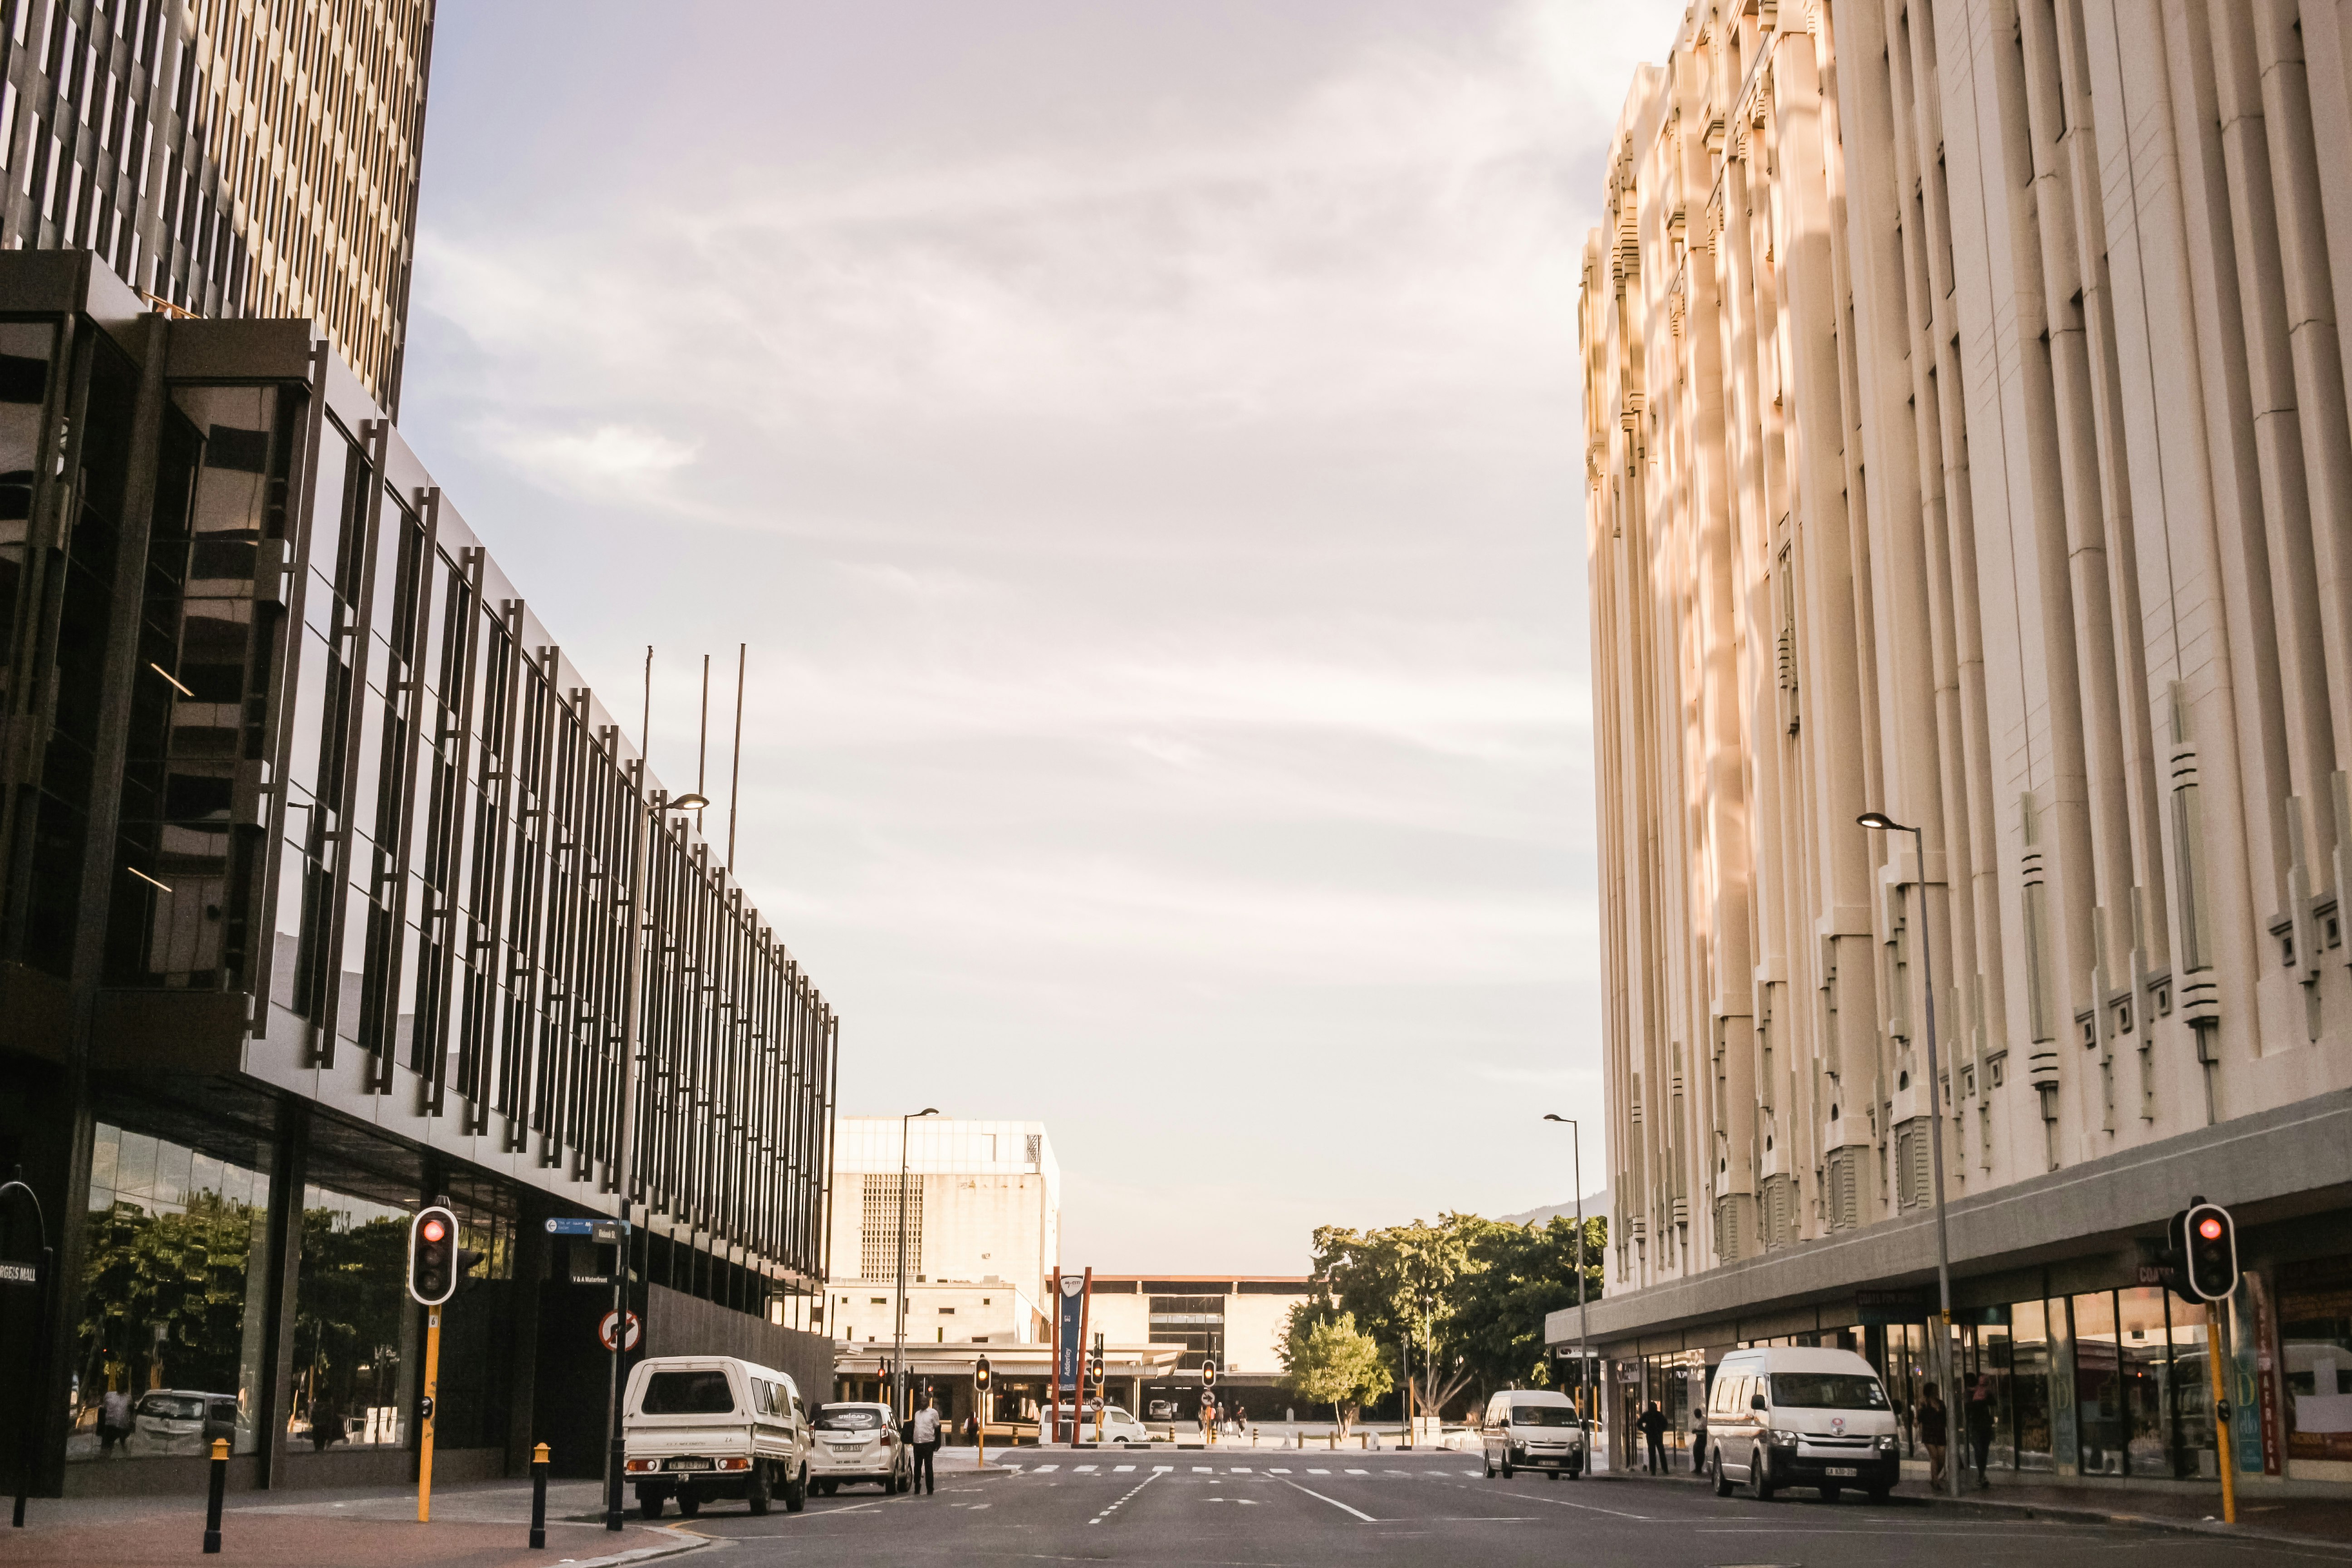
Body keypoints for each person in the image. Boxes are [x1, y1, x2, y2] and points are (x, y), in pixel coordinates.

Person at [1965, 1376, 1995, 1489]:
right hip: (1976, 1426)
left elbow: (1993, 1402)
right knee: (1980, 1451)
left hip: (1984, 1426)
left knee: (1984, 1451)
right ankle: (1981, 1475)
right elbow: (1969, 1408)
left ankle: (1982, 1475)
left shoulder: (1985, 1393)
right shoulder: (1970, 1394)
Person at [1920, 1382, 1949, 1489]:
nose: (1936, 1392)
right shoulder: (1925, 1403)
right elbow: (1920, 1415)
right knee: (1934, 1456)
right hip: (1929, 1433)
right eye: (1934, 1390)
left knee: (1941, 1459)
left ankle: (1934, 1478)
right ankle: (1936, 1481)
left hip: (1940, 1432)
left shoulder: (1941, 1404)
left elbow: (1945, 1417)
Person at [911, 1395, 941, 1495]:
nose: (922, 1403)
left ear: (928, 1402)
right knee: (917, 1467)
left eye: (924, 1401)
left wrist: (937, 1443)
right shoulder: (917, 1414)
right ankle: (917, 1487)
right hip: (917, 1443)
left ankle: (930, 1488)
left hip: (928, 1443)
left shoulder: (933, 1413)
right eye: (921, 1401)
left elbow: (937, 1428)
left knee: (928, 1466)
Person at [98, 1388, 132, 1458]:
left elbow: (131, 1411)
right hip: (110, 1426)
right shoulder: (109, 1395)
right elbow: (104, 1409)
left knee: (124, 1447)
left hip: (123, 1427)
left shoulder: (128, 1398)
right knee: (107, 1448)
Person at [1638, 1400, 1668, 1475]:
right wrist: (1646, 1430)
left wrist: (1661, 1430)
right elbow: (1639, 1424)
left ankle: (1664, 1469)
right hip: (1652, 1435)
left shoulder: (1658, 1415)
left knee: (1660, 1452)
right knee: (1653, 1453)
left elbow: (1665, 1424)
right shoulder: (1648, 1415)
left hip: (1657, 1435)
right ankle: (1655, 1470)